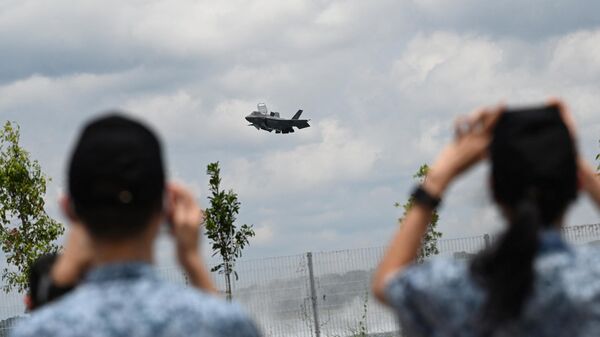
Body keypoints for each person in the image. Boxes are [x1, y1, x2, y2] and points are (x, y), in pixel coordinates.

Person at [11, 114, 261, 337]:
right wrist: (193, 260)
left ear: (68, 209)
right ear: (166, 207)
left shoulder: (40, 331)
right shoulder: (222, 324)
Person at [372, 99, 600, 336]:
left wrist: (437, 179)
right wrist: (569, 152)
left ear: (493, 188)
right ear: (577, 184)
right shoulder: (592, 281)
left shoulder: (455, 289)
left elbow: (387, 282)